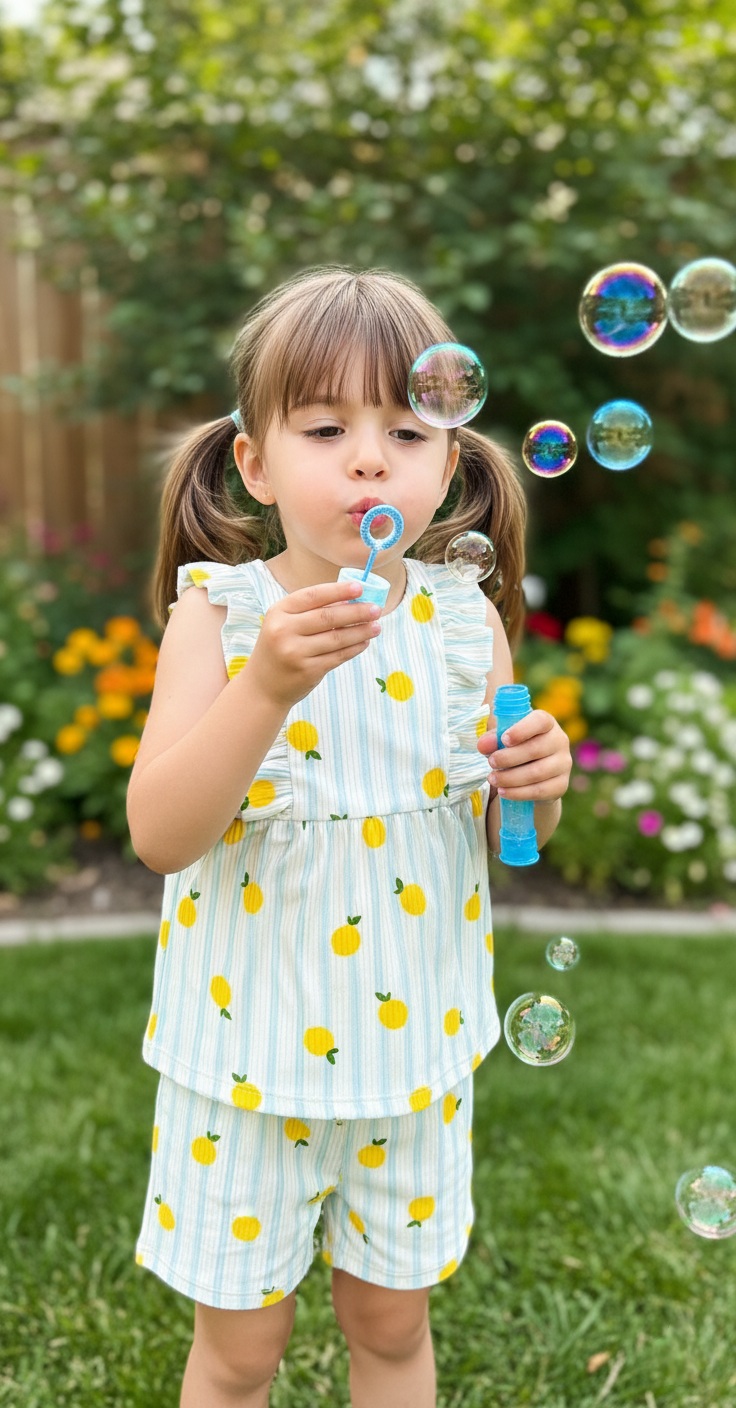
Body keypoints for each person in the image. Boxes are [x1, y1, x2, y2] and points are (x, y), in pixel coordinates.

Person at [127, 266, 572, 1408]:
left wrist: (537, 782)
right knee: (242, 1352)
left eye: (407, 431)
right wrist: (266, 686)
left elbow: (508, 831)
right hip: (244, 1072)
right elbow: (162, 835)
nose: (370, 460)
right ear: (256, 463)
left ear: (448, 462)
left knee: (390, 1325)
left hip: (411, 1067)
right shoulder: (219, 617)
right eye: (326, 429)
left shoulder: (465, 624)